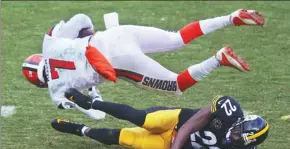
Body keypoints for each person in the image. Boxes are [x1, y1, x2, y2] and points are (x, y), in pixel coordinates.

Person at [22, 9, 264, 119]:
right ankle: (230, 18)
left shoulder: (56, 92)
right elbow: (81, 18)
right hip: (114, 35)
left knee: (176, 85)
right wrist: (84, 38)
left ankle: (218, 59)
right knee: (176, 38)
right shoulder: (49, 44)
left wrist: (90, 90)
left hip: (117, 60)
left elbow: (91, 111)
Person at [51, 88, 269, 149]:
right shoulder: (228, 110)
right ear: (241, 123)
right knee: (140, 118)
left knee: (125, 139)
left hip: (171, 143)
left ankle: (79, 129)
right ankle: (90, 102)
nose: (237, 138)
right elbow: (192, 125)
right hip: (177, 120)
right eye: (240, 134)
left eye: (243, 140)